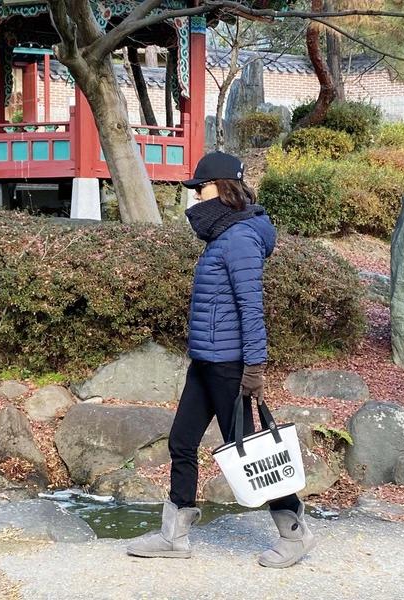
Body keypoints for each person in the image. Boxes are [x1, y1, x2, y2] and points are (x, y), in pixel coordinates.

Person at [125, 151, 316, 568]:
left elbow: (251, 307)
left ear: (224, 188)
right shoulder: (222, 234)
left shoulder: (240, 237)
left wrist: (255, 368)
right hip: (205, 361)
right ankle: (174, 535)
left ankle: (295, 532)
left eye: (202, 187)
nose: (196, 195)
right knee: (182, 441)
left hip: (230, 366)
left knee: (254, 454)